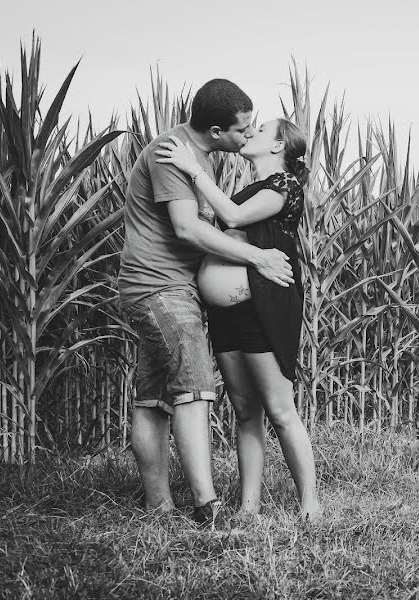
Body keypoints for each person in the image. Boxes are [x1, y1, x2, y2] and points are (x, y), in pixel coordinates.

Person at [118, 79, 295, 526]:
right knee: (195, 390)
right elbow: (187, 229)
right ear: (217, 131)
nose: (246, 136)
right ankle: (207, 507)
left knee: (153, 400)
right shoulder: (172, 152)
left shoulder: (197, 156)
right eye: (242, 129)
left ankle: (159, 506)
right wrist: (256, 256)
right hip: (162, 288)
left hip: (167, 287)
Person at [155, 117, 320, 521]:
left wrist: (193, 168)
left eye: (260, 131)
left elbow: (229, 213)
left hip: (261, 310)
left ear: (279, 146)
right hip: (226, 315)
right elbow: (215, 218)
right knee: (245, 412)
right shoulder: (249, 190)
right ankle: (249, 508)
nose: (250, 134)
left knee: (280, 411)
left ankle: (311, 504)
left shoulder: (284, 187)